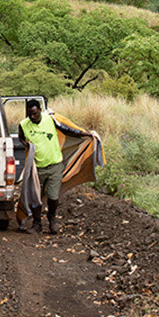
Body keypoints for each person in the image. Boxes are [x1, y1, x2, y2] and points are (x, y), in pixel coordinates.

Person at [18, 99, 95, 233]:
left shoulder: (50, 120)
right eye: (30, 114)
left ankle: (52, 218)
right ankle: (37, 224)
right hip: (37, 168)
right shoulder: (24, 125)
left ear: (40, 110)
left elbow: (67, 129)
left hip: (55, 165)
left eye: (35, 113)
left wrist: (84, 133)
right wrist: (27, 146)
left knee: (53, 196)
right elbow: (20, 137)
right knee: (35, 197)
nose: (32, 117)